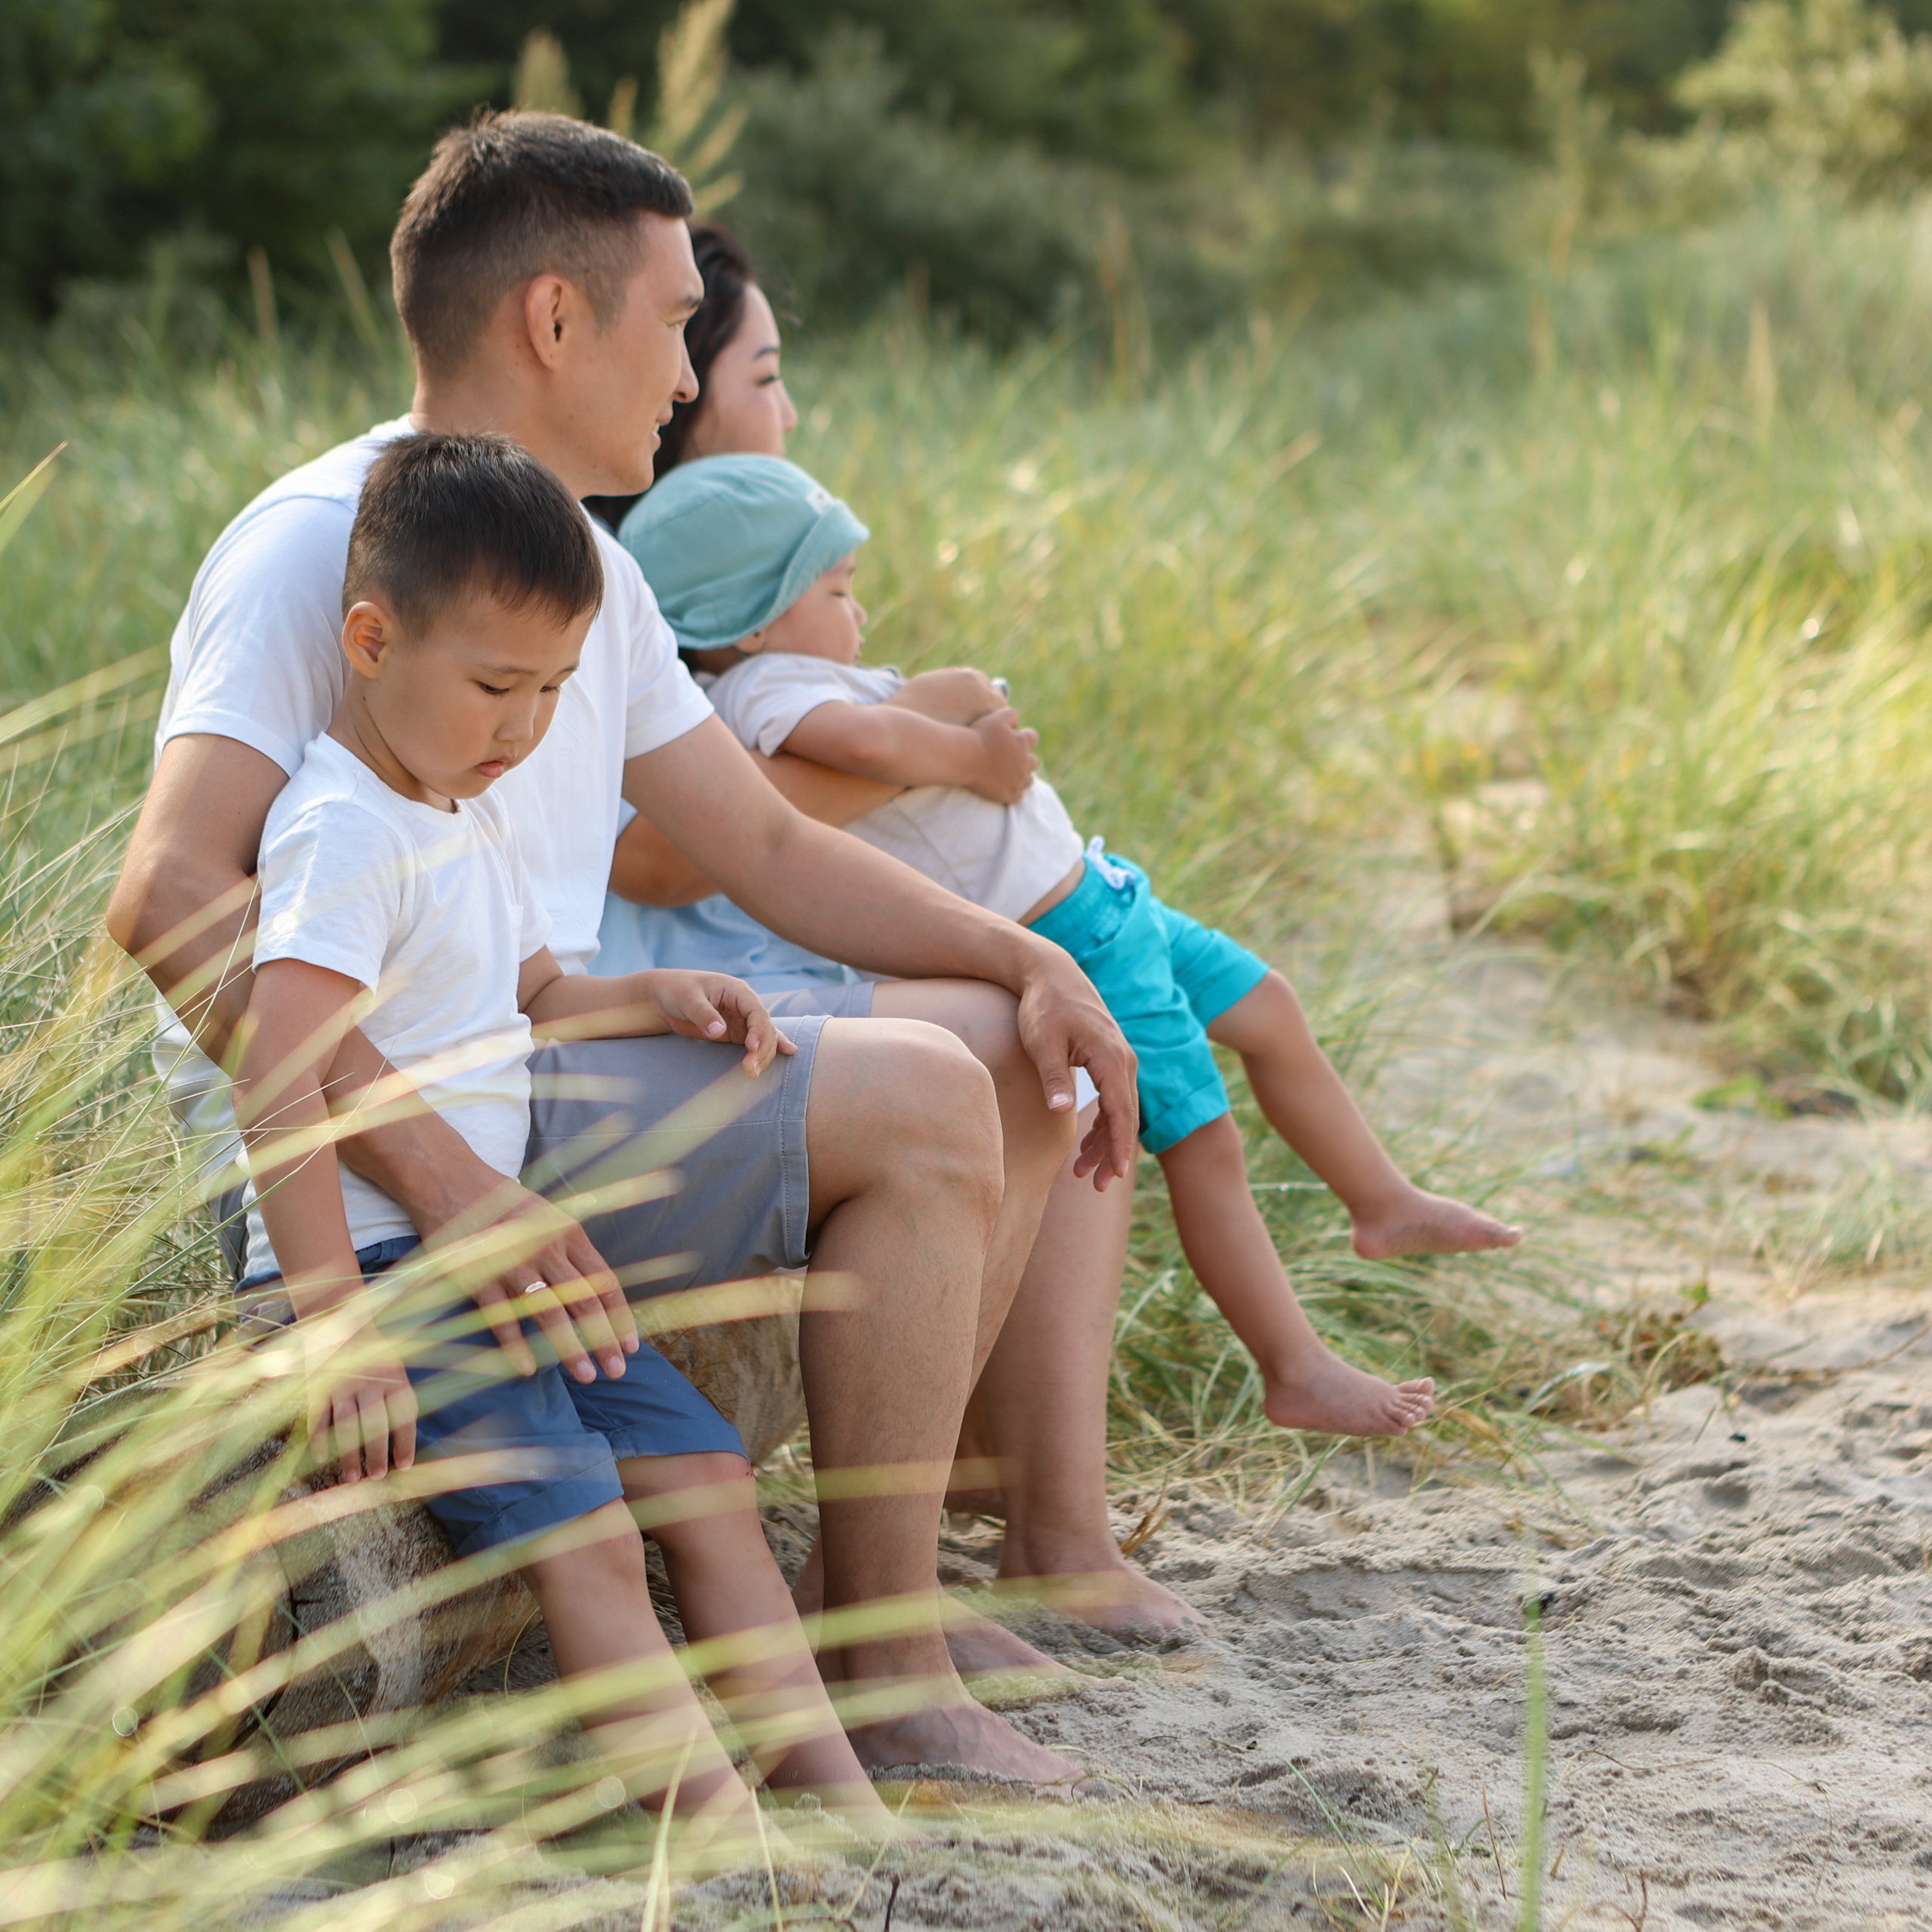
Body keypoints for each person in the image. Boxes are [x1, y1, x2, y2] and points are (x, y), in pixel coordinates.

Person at [105, 112, 1137, 1783]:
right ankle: (876, 1675)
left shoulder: (582, 564)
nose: (688, 369)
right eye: (672, 318)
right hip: (366, 1139)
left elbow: (770, 846)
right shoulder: (328, 542)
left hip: (534, 1055)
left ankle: (881, 1603)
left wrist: (1030, 958)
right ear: (551, 319)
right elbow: (166, 895)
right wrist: (450, 1183)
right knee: (934, 1091)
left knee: (996, 1040)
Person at [235, 429, 890, 1834]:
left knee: (707, 1473)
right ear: (369, 639)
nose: (523, 728)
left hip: (502, 1256)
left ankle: (833, 1800)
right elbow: (275, 1069)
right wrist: (330, 1323)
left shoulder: (454, 801)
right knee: (590, 1537)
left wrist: (642, 993)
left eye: (550, 691)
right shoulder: (341, 829)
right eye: (493, 686)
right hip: (397, 1272)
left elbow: (519, 990)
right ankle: (722, 1842)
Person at [626, 455, 1527, 1441]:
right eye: (838, 591)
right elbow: (870, 752)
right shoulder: (766, 687)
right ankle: (1293, 1363)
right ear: (752, 619)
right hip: (1067, 937)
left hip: (1103, 899)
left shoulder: (810, 671)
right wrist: (969, 745)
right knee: (1201, 1137)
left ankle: (1381, 1199)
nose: (861, 612)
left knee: (1267, 1007)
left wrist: (941, 695)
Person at [593, 228, 1185, 1637]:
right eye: (749, 367)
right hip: (647, 985)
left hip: (750, 947)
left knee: (1056, 1020)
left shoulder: (673, 597)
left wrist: (1035, 942)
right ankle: (915, 1584)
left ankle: (1032, 1527)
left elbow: (773, 829)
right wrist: (923, 743)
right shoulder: (620, 581)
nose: (774, 409)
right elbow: (677, 851)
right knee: (994, 1043)